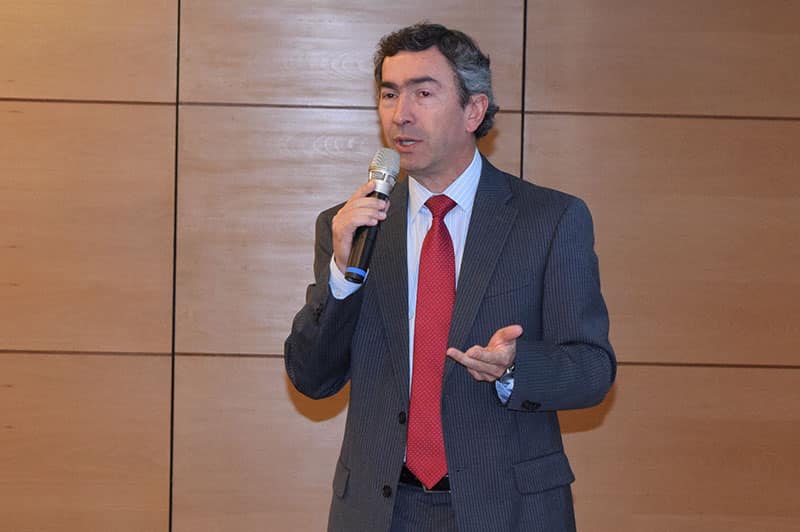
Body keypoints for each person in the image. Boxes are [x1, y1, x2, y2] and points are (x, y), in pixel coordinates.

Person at [285, 22, 615, 532]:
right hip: (379, 510)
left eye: (423, 93)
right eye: (389, 94)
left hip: (510, 509)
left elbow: (592, 370)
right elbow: (312, 378)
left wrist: (515, 367)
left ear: (473, 110)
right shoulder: (352, 227)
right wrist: (342, 279)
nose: (401, 113)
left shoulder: (549, 221)